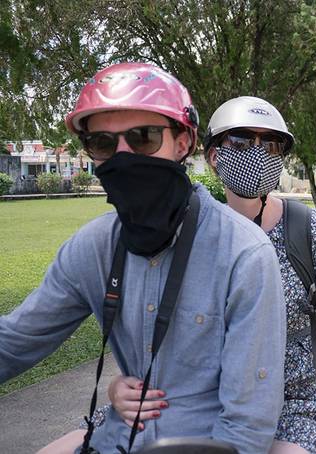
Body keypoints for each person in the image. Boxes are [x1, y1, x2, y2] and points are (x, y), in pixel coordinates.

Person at [0, 63, 286, 454]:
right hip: (115, 439)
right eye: (102, 143)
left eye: (144, 137)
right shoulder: (92, 248)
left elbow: (246, 424)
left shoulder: (244, 255)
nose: (123, 156)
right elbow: (15, 341)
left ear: (183, 142)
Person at [73, 96, 316, 454]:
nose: (258, 153)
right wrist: (121, 385)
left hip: (296, 404)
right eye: (242, 141)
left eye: (270, 144)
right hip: (203, 399)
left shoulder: (310, 229)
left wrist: (309, 381)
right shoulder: (185, 232)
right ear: (213, 158)